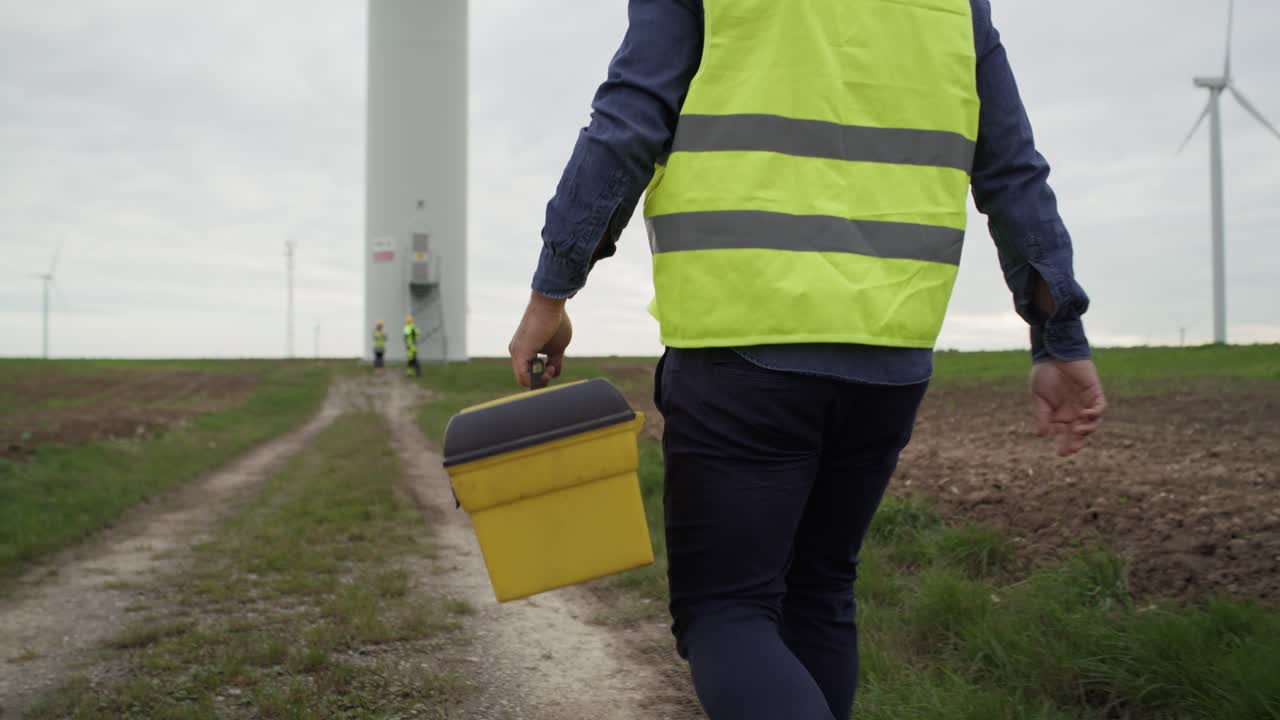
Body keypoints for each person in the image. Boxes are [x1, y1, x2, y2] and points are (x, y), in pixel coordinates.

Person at [507, 1, 1107, 717]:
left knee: (727, 611)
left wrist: (553, 287)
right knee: (819, 594)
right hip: (891, 349)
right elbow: (1011, 166)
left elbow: (628, 122)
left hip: (743, 338)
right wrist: (1057, 336)